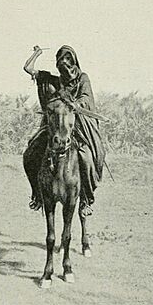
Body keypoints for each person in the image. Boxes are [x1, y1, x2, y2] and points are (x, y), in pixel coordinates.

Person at [23, 45, 105, 217]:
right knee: (31, 151)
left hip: (77, 123)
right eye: (61, 62)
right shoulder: (53, 81)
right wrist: (37, 54)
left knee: (87, 157)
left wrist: (76, 104)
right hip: (55, 124)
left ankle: (86, 198)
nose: (65, 65)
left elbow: (86, 98)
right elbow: (28, 68)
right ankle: (37, 194)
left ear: (74, 62)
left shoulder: (83, 78)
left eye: (68, 61)